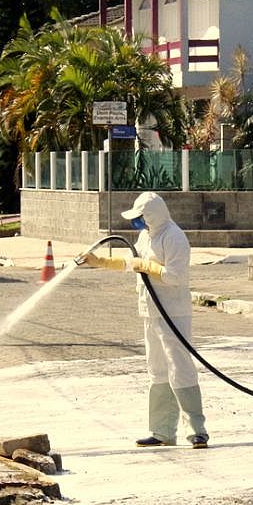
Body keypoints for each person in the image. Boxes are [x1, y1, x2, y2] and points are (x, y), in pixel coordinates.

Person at [78, 191, 210, 449]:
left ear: (152, 215)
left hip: (173, 313)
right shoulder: (145, 236)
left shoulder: (174, 237)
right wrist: (100, 261)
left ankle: (197, 430)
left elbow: (174, 277)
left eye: (140, 218)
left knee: (179, 368)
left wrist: (146, 266)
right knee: (157, 369)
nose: (136, 223)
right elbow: (130, 262)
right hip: (150, 312)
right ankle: (162, 431)